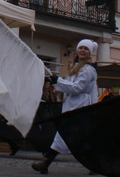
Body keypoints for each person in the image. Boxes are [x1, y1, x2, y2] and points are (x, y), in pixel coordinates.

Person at [32, 38, 98, 174]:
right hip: (72, 105)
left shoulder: (88, 69)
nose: (83, 50)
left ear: (89, 52)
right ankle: (45, 164)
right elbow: (68, 85)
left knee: (70, 135)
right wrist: (56, 82)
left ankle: (94, 165)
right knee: (67, 135)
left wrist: (59, 81)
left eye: (86, 49)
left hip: (80, 107)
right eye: (81, 48)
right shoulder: (75, 68)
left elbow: (77, 87)